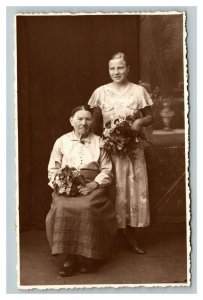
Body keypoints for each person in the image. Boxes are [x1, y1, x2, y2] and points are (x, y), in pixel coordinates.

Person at [88, 52, 153, 254]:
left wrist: (139, 122)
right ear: (109, 70)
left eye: (120, 67)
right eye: (112, 68)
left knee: (133, 191)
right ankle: (109, 236)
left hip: (132, 149)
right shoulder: (100, 92)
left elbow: (150, 117)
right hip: (109, 150)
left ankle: (131, 235)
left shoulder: (138, 91)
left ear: (128, 68)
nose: (116, 72)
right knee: (112, 189)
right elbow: (95, 122)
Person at [46, 105, 117, 276]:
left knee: (87, 207)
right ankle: (70, 257)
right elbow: (53, 170)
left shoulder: (100, 142)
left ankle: (90, 256)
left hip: (92, 185)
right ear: (71, 121)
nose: (84, 123)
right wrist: (63, 184)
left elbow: (107, 170)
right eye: (79, 119)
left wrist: (93, 185)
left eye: (88, 119)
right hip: (67, 188)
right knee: (62, 207)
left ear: (92, 122)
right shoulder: (61, 141)